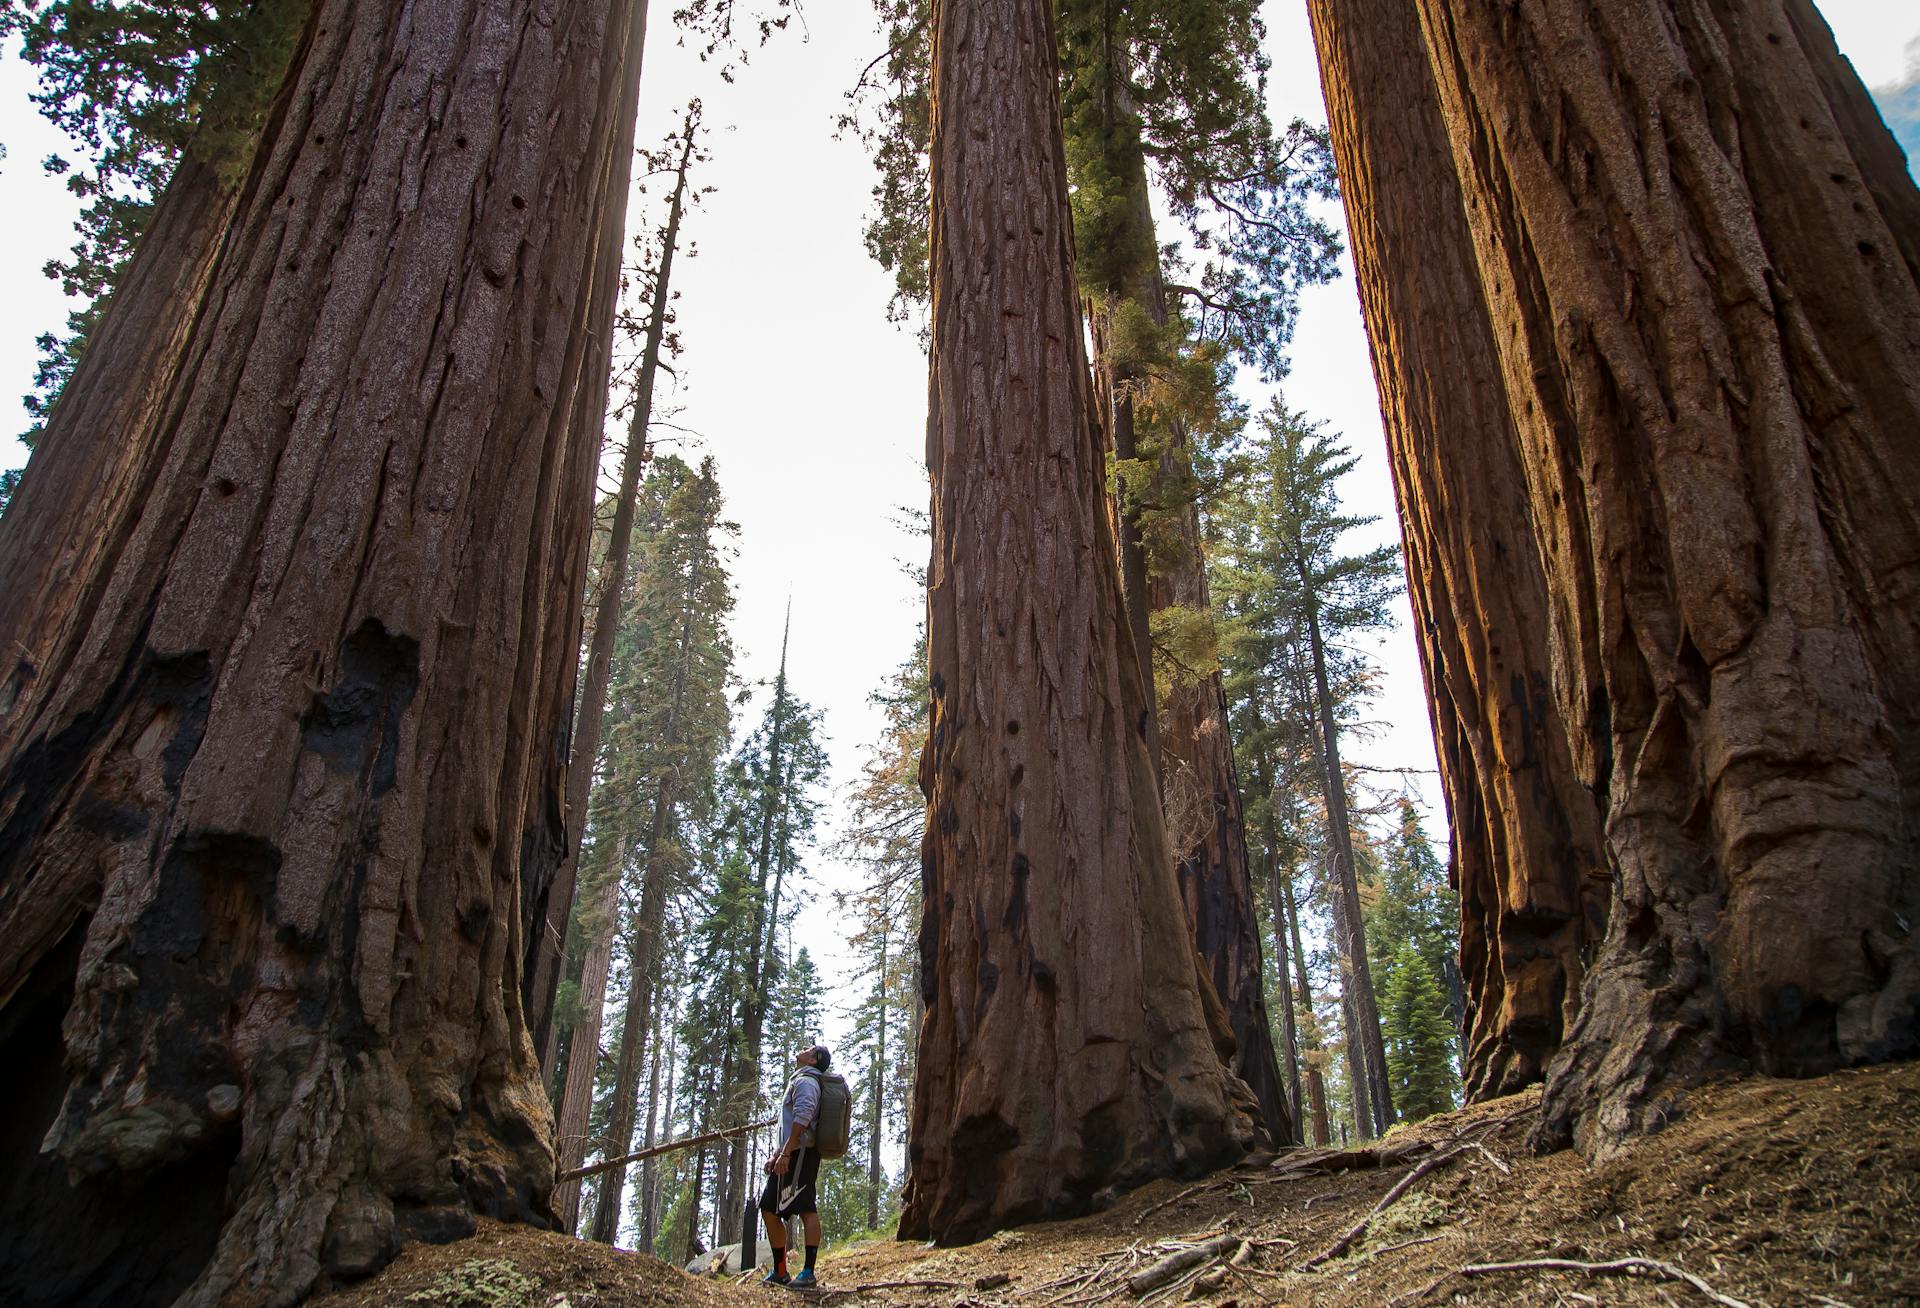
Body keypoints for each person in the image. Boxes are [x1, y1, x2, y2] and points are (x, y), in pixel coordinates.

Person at [760, 1043, 830, 1287]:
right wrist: (777, 1153)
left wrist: (787, 1154)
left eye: (809, 1049)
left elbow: (803, 1117)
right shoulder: (801, 1079)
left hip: (801, 1156)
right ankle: (781, 1271)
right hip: (789, 1154)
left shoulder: (808, 1082)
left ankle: (808, 1272)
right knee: (768, 1207)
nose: (803, 1049)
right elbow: (791, 1123)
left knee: (806, 1208)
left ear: (813, 1060)